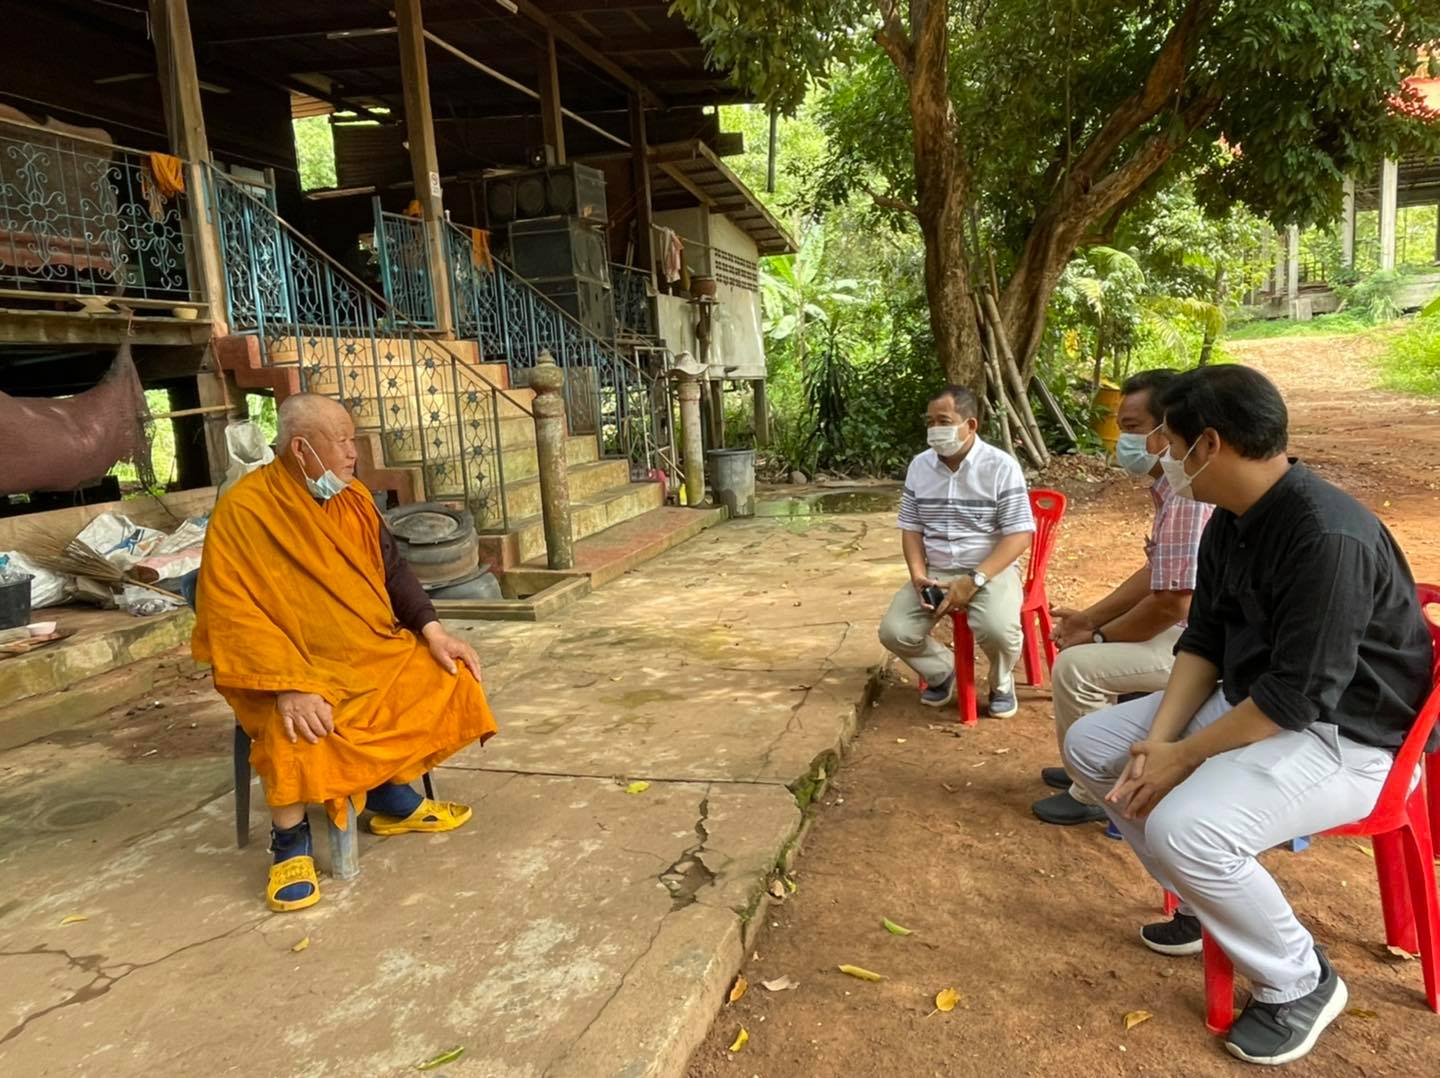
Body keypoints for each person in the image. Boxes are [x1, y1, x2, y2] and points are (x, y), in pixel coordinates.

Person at [1063, 366, 1434, 1067]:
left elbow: (1299, 698)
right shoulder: (1231, 521)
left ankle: (1299, 979)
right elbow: (1204, 639)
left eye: (1166, 442)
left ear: (1208, 444)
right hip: (1257, 703)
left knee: (1185, 829)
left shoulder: (1327, 538)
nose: (1160, 458)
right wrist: (1162, 739)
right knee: (1097, 746)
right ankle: (1216, 912)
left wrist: (1183, 755)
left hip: (1348, 737)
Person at [193, 394, 498, 912]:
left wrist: (433, 629)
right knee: (299, 724)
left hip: (366, 648)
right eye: (341, 441)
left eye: (351, 440)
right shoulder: (244, 511)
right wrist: (287, 682)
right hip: (287, 666)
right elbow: (231, 612)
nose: (353, 453)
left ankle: (388, 796)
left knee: (449, 675)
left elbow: (393, 570)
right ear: (301, 448)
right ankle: (289, 842)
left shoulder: (353, 498)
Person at [1033, 370, 1213, 825]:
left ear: (1167, 429)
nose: (1121, 439)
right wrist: (1092, 619)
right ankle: (1089, 766)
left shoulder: (1189, 498)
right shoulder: (1173, 488)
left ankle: (1094, 790)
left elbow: (1173, 603)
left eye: (1132, 428)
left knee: (1078, 669)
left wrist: (1097, 638)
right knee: (1088, 651)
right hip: (1192, 634)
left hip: (1206, 650)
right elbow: (1159, 572)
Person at [879, 385, 1035, 717]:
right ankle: (942, 671)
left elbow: (1020, 536)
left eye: (944, 420)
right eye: (930, 421)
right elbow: (912, 529)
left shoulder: (1000, 467)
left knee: (998, 629)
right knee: (894, 632)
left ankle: (1000, 682)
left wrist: (974, 579)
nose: (935, 429)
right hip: (936, 571)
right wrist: (918, 575)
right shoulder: (920, 467)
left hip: (991, 569)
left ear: (971, 425)